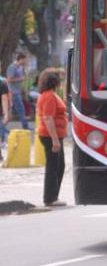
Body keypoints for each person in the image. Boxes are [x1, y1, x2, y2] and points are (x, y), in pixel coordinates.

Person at [36, 68, 68, 207]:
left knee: (59, 166)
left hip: (53, 135)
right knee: (54, 167)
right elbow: (48, 118)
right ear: (54, 81)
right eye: (59, 78)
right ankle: (50, 197)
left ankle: (53, 196)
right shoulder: (49, 96)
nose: (61, 81)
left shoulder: (50, 94)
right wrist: (55, 140)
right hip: (50, 136)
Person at [6, 53, 29, 130]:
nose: (25, 62)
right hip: (13, 92)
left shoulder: (20, 67)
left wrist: (23, 89)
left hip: (18, 92)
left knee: (10, 112)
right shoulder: (12, 67)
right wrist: (21, 79)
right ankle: (25, 126)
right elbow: (9, 79)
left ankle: (2, 127)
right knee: (21, 109)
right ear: (20, 59)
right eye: (24, 61)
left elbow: (22, 79)